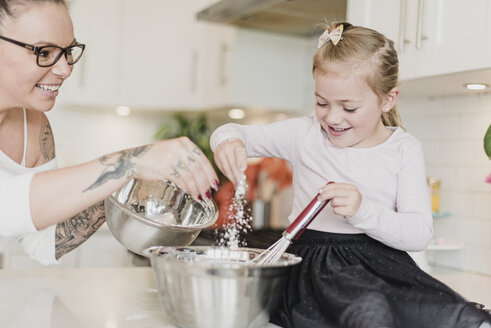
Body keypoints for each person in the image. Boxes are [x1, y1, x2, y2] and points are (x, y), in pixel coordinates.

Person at [211, 22, 491, 328]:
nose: (332, 117)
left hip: (380, 267)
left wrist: (363, 211)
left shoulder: (403, 148)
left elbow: (419, 232)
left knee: (451, 315)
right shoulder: (304, 133)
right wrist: (228, 142)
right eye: (321, 102)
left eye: (349, 107)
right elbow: (232, 131)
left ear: (388, 99)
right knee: (366, 311)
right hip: (309, 267)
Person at [0, 0, 219, 266]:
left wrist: (121, 186)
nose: (65, 69)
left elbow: (43, 241)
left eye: (68, 51)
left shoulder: (34, 127)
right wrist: (128, 162)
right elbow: (7, 206)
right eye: (44, 52)